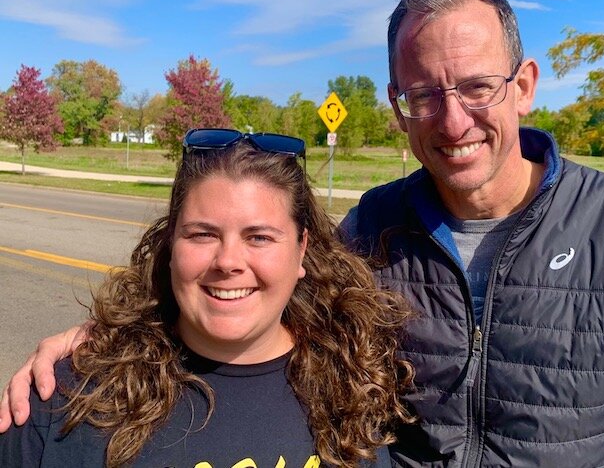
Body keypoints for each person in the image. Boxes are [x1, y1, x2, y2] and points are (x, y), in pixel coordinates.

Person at [1, 0, 604, 467]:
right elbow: (254, 293)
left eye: (475, 87)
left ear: (523, 86)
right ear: (396, 100)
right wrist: (105, 341)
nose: (453, 118)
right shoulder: (376, 226)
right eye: (422, 94)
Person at [0, 129, 413, 467]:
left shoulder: (355, 390)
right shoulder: (65, 399)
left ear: (301, 250)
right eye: (203, 234)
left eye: (259, 237)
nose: (228, 261)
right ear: (171, 243)